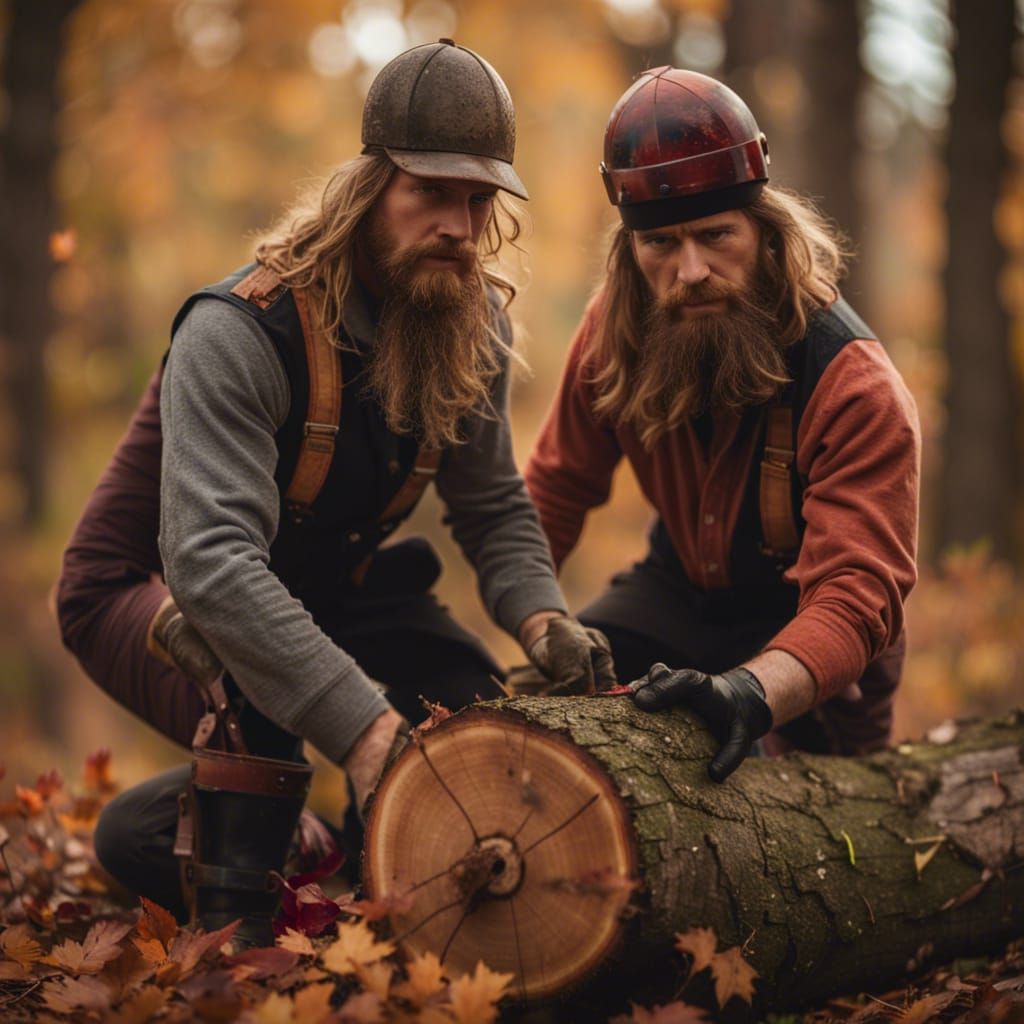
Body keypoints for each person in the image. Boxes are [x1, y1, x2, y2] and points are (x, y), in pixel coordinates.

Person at [56, 39, 613, 946]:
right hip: (152, 589)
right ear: (369, 188)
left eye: (479, 200)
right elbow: (212, 565)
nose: (459, 225)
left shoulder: (471, 321)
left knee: (470, 723)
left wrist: (545, 621)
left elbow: (493, 507)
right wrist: (364, 735)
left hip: (328, 582)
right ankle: (249, 897)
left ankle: (360, 877)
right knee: (261, 728)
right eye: (429, 192)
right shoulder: (241, 331)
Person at [525, 67, 920, 782]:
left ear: (763, 232)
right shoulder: (614, 330)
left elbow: (855, 596)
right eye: (660, 244)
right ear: (631, 249)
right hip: (677, 591)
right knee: (543, 725)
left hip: (811, 632)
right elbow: (554, 490)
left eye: (715, 235)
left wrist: (748, 693)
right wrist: (536, 623)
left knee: (784, 803)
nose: (691, 270)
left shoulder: (854, 386)